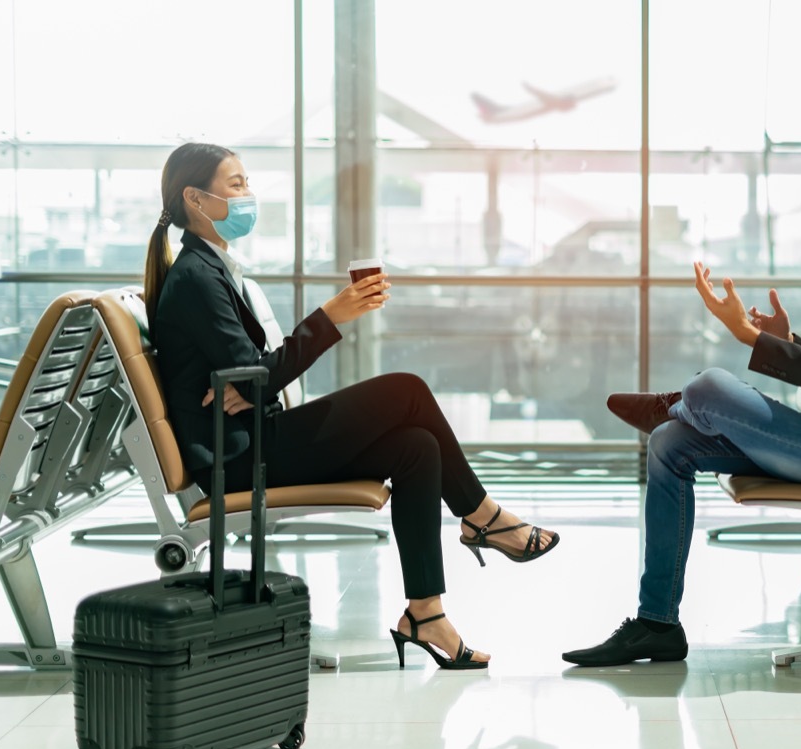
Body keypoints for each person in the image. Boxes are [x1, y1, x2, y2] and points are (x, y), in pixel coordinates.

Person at [145, 142, 560, 671]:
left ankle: (426, 613)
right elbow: (256, 377)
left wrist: (251, 382)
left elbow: (251, 377)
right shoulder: (197, 277)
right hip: (240, 459)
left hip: (252, 436)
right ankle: (482, 517)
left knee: (417, 447)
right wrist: (330, 317)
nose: (249, 194)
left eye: (247, 182)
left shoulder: (211, 267)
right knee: (406, 389)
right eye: (237, 184)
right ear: (195, 199)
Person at [562, 132, 801, 667]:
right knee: (669, 442)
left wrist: (753, 339)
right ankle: (657, 623)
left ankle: (681, 399)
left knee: (708, 388)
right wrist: (786, 340)